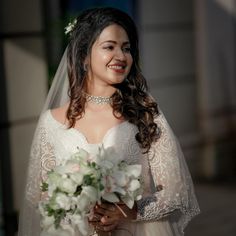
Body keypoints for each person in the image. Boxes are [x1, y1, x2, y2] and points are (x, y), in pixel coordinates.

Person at [18, 7, 200, 236]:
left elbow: (177, 192)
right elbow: (38, 196)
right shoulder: (51, 123)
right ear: (84, 56)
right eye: (109, 47)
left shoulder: (145, 115)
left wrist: (131, 211)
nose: (121, 56)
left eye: (126, 48)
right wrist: (77, 207)